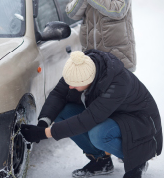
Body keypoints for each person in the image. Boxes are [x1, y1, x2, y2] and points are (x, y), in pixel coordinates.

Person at [21, 50, 162, 178]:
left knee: (99, 134)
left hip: (139, 122)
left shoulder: (118, 83)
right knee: (62, 112)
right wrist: (42, 123)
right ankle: (101, 161)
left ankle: (137, 159)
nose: (70, 87)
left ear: (88, 80)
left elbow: (87, 120)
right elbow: (59, 93)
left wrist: (44, 133)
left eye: (74, 85)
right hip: (111, 113)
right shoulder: (79, 68)